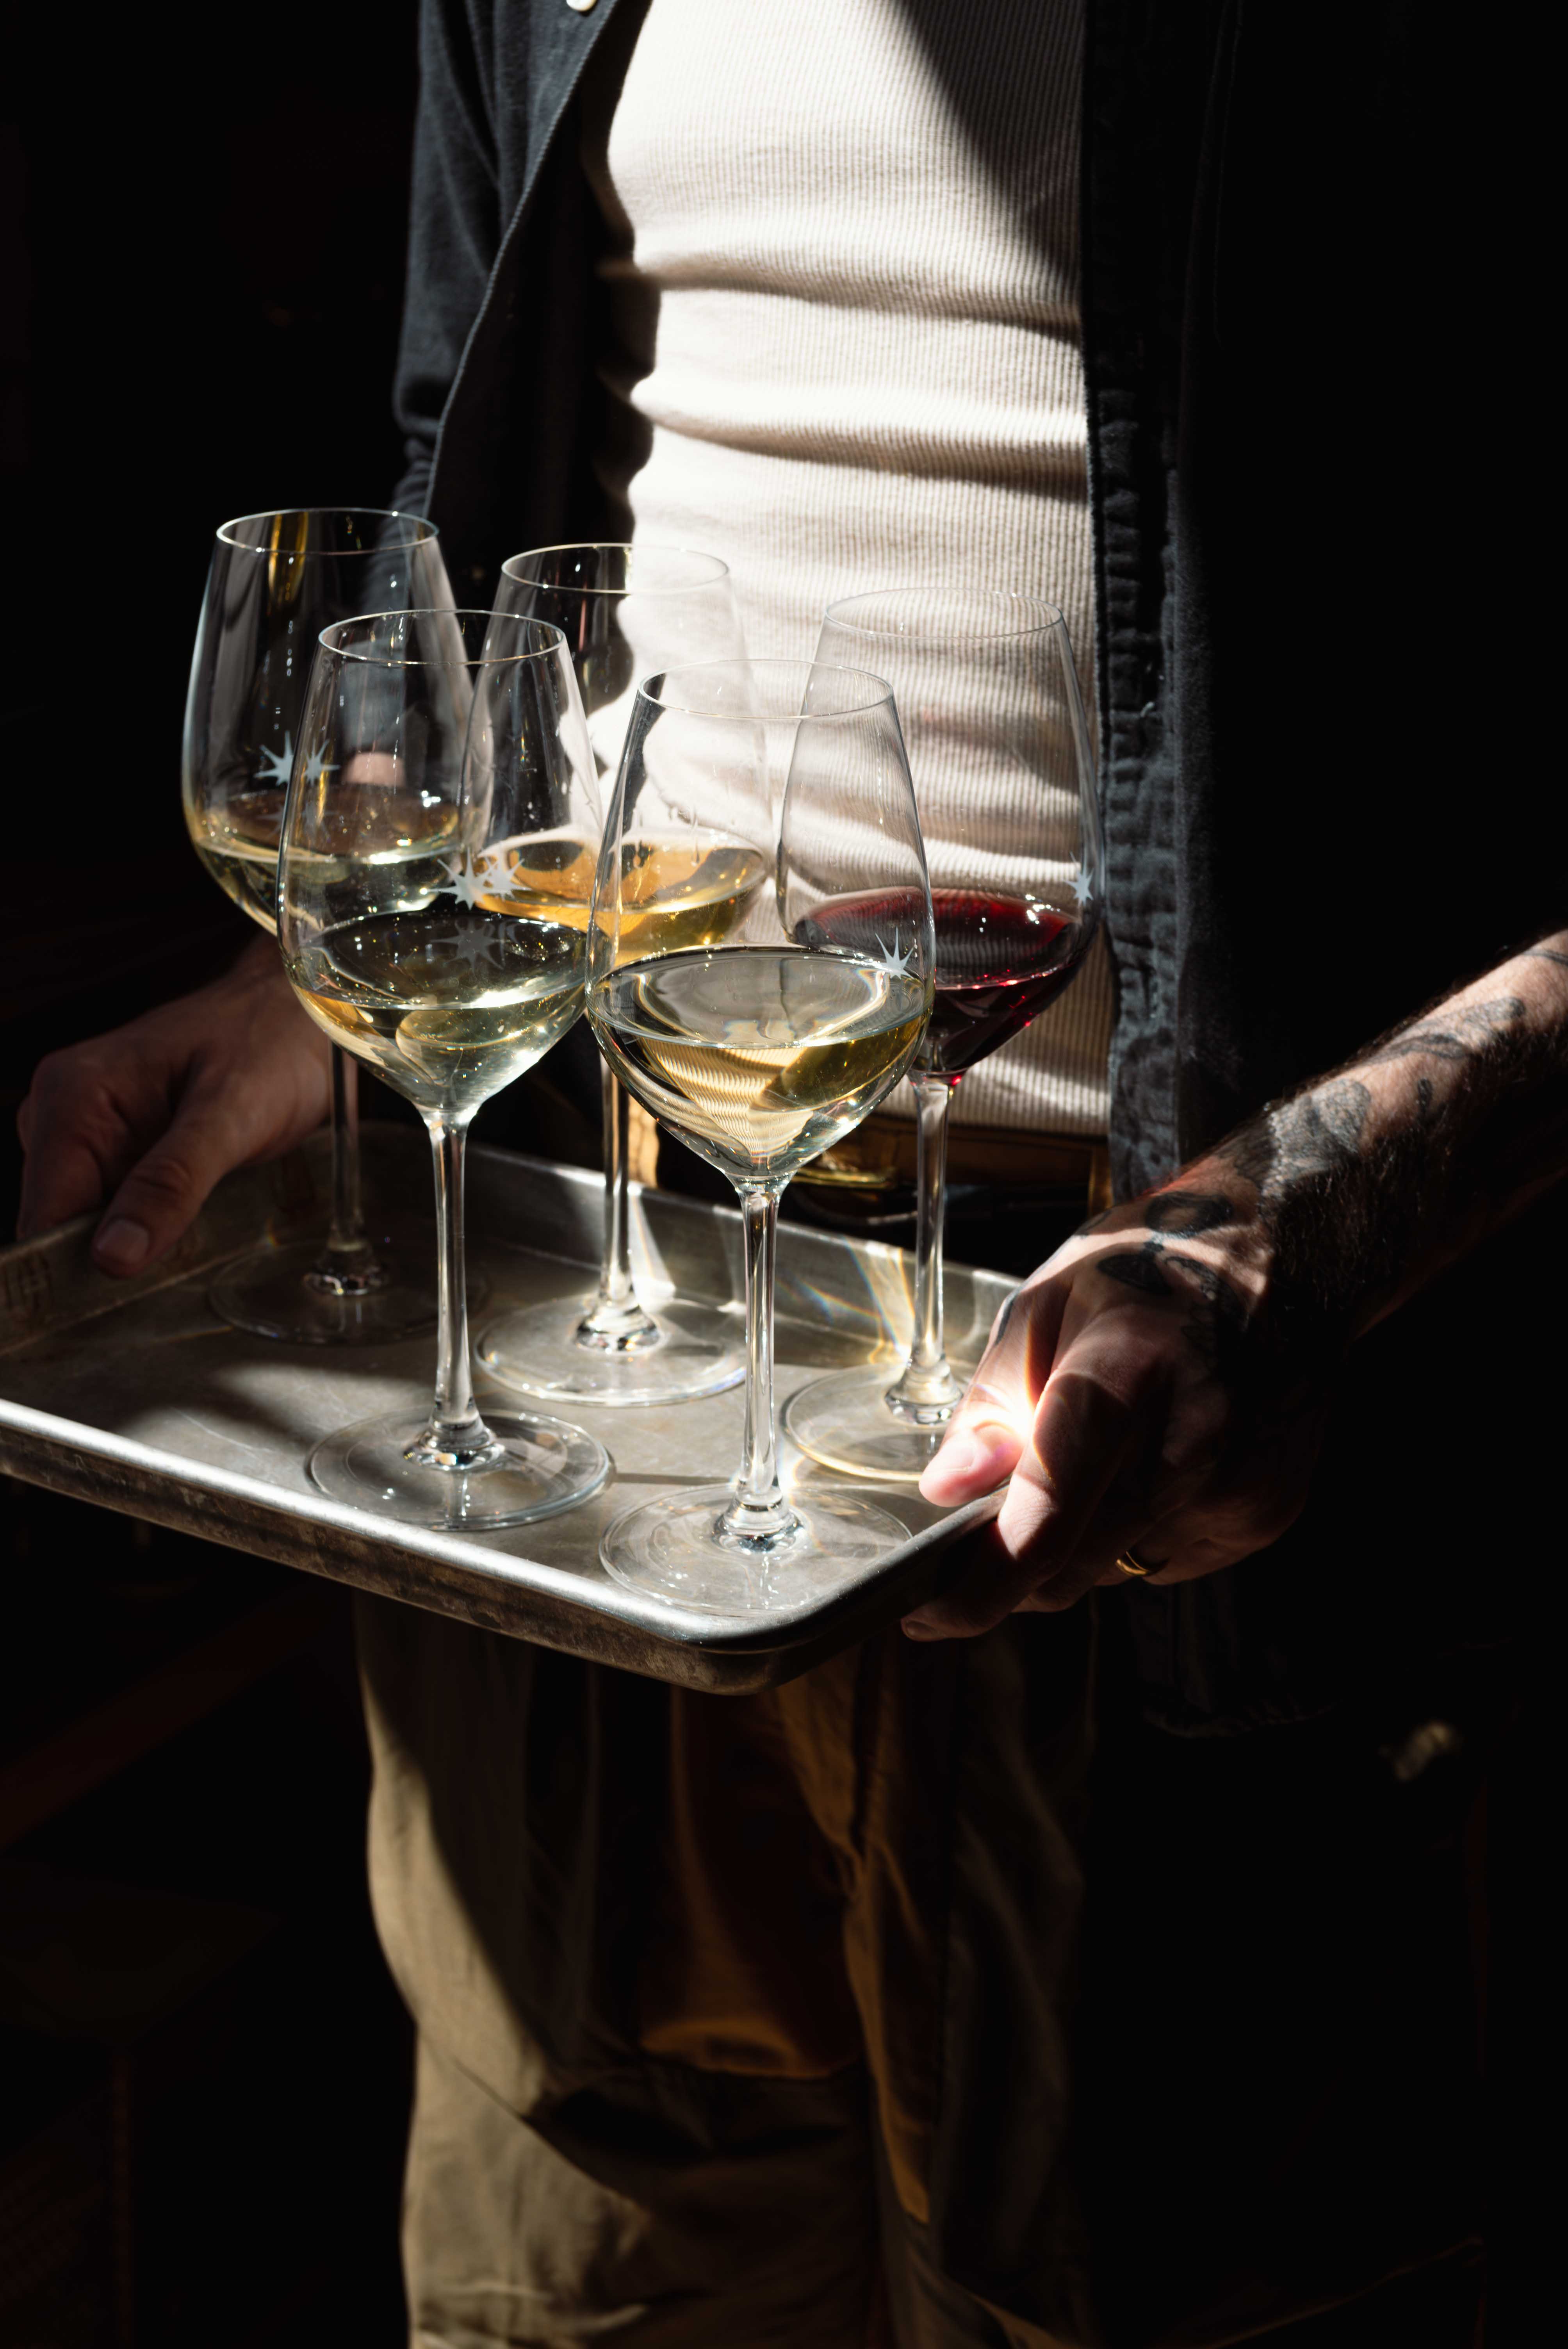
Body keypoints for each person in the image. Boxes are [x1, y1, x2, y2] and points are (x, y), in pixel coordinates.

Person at [18, 3, 1561, 2341]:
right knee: (588, 2285)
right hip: (608, 1327)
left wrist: (1299, 1228)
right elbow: (503, 548)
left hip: (1183, 1455)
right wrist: (341, 995)